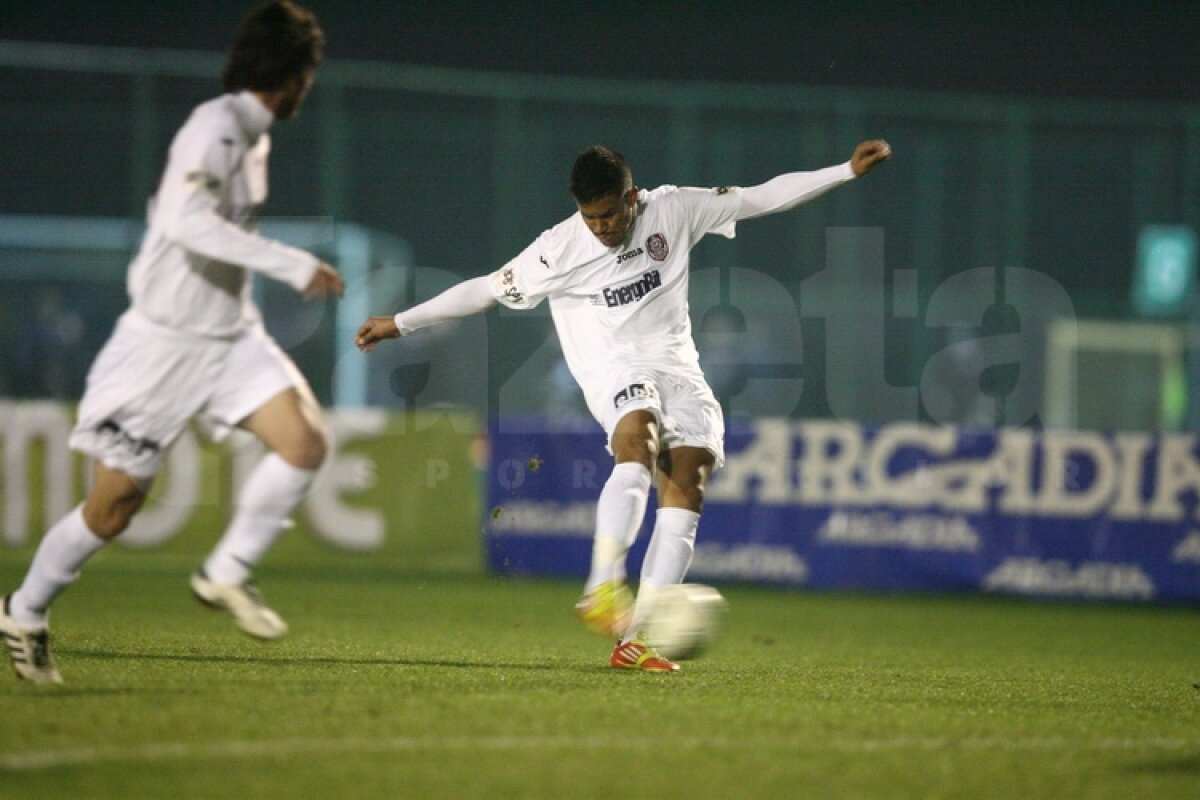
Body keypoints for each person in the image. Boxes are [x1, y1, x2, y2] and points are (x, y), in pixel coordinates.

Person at [356, 139, 891, 672]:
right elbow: (485, 290)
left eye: (609, 215)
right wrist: (400, 323)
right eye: (591, 218)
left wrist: (843, 171)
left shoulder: (674, 209)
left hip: (679, 367)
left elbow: (761, 198)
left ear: (632, 197)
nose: (601, 227)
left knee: (690, 477)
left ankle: (640, 637)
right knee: (639, 441)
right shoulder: (559, 248)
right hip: (613, 368)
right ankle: (602, 587)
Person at [1, 0, 342, 685]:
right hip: (162, 346)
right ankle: (25, 611)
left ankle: (226, 571)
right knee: (116, 505)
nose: (310, 84)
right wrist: (292, 263)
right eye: (308, 70)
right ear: (291, 72)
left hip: (229, 336)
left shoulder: (256, 138)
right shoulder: (213, 128)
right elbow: (187, 221)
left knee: (306, 442)